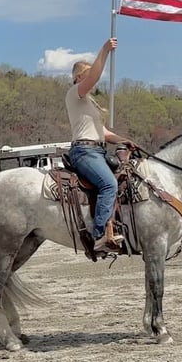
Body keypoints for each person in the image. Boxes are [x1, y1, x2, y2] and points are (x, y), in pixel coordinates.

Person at [65, 37, 135, 252]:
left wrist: (124, 140)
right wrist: (104, 50)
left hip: (97, 149)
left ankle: (117, 225)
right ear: (79, 77)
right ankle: (99, 236)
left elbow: (102, 132)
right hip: (84, 151)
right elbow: (95, 76)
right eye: (87, 76)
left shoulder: (89, 102)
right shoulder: (75, 94)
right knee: (109, 184)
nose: (92, 81)